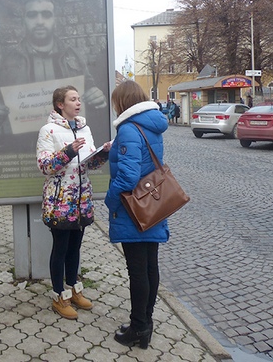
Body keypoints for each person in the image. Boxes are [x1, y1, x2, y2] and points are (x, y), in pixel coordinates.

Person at [0, 0, 108, 135]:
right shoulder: (8, 60)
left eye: (46, 15)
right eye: (32, 15)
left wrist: (96, 96)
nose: (39, 21)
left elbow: (89, 87)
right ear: (24, 21)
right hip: (23, 144)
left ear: (55, 21)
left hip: (67, 138)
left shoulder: (73, 55)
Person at [36, 85, 110, 320]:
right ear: (60, 104)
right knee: (61, 248)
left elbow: (89, 164)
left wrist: (103, 154)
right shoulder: (48, 130)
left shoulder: (84, 128)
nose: (78, 103)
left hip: (82, 198)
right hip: (60, 201)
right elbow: (45, 167)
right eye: (73, 99)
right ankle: (59, 296)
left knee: (75, 247)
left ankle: (73, 289)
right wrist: (68, 151)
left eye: (79, 99)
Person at [104, 80, 169, 349]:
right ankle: (146, 321)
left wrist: (110, 200)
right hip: (154, 204)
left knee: (138, 271)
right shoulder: (150, 123)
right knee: (149, 266)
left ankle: (138, 328)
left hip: (135, 208)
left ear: (122, 102)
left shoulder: (130, 128)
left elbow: (129, 175)